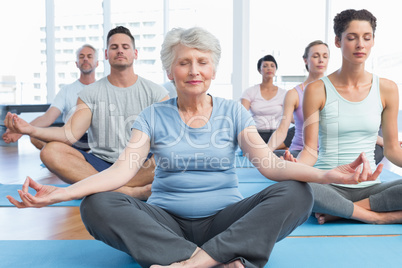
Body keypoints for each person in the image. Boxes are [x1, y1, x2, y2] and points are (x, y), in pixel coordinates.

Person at [7, 27, 379, 268]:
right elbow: (121, 171)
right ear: (171, 72)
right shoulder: (153, 115)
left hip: (225, 219)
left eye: (202, 62)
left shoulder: (233, 111)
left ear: (214, 70)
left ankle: (192, 263)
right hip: (166, 221)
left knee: (298, 194)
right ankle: (216, 260)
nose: (194, 70)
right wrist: (61, 194)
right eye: (184, 63)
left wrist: (326, 175)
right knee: (98, 205)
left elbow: (269, 164)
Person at [4, 26, 168, 199]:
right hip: (102, 164)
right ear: (106, 55)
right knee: (50, 152)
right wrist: (29, 130)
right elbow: (70, 134)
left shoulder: (156, 93)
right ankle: (127, 191)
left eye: (125, 47)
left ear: (135, 53)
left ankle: (106, 185)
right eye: (114, 47)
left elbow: (169, 138)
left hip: (138, 165)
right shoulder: (89, 93)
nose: (120, 50)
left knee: (169, 155)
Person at [285, 9, 402, 225]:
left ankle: (349, 211)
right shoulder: (317, 89)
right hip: (327, 186)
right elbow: (310, 150)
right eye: (352, 38)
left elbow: (392, 150)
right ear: (338, 42)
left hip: (370, 188)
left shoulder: (388, 89)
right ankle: (377, 217)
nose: (360, 45)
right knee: (295, 189)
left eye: (367, 38)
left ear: (373, 41)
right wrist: (296, 168)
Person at [2, 44, 98, 150]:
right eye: (81, 56)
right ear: (76, 63)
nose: (85, 59)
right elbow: (48, 117)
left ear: (97, 63)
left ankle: (74, 157)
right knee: (35, 137)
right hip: (71, 137)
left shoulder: (103, 89)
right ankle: (69, 156)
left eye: (89, 56)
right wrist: (21, 130)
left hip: (96, 139)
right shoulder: (66, 90)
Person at [268, 41, 329, 157]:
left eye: (325, 56)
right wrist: (264, 153)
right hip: (300, 152)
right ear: (305, 60)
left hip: (328, 154)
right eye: (316, 56)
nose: (321, 60)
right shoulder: (294, 94)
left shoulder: (336, 90)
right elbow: (282, 130)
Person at [241, 55, 294, 150]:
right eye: (265, 66)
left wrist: (302, 122)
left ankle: (262, 149)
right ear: (259, 70)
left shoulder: (284, 93)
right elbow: (242, 115)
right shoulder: (250, 91)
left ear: (275, 70)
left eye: (272, 66)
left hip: (277, 134)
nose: (269, 68)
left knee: (297, 129)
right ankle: (272, 148)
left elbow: (291, 118)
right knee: (243, 131)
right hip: (257, 134)